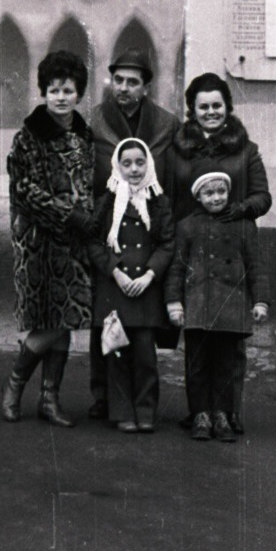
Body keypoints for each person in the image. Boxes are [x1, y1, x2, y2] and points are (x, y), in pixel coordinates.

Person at [166, 72, 272, 432]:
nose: (211, 112)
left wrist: (239, 210)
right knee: (196, 346)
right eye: (203, 107)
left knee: (230, 348)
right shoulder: (177, 150)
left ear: (227, 107)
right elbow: (169, 197)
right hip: (193, 245)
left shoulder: (246, 149)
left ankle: (229, 411)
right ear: (192, 111)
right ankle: (199, 410)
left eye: (217, 105)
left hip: (233, 244)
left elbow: (263, 196)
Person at [1, 49, 95, 427]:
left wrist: (89, 218)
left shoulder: (84, 136)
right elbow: (25, 189)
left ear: (79, 94)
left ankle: (49, 399)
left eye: (68, 90)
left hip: (75, 244)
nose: (60, 97)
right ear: (43, 92)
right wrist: (70, 215)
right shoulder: (28, 137)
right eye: (53, 90)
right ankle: (14, 383)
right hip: (40, 242)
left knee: (67, 318)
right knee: (49, 322)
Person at [86, 46, 177, 419]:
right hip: (108, 225)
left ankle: (139, 404)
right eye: (118, 80)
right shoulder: (94, 122)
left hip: (149, 225)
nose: (123, 88)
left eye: (132, 82)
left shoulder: (166, 125)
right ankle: (103, 397)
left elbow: (173, 173)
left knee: (141, 331)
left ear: (146, 88)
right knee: (104, 321)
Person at [165, 170, 269, 441]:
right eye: (209, 193)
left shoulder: (244, 225)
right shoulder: (187, 226)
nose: (216, 198)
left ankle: (223, 414)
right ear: (198, 196)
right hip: (198, 305)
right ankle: (200, 414)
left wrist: (260, 301)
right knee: (197, 364)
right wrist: (174, 302)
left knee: (226, 363)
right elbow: (176, 268)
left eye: (221, 191)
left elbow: (255, 265)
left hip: (231, 305)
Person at [88, 138, 175, 434]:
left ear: (148, 164)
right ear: (117, 166)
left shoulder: (159, 201)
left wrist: (149, 275)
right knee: (117, 355)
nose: (134, 169)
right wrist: (117, 273)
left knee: (145, 356)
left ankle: (146, 410)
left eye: (140, 162)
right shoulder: (108, 201)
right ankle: (122, 411)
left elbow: (166, 244)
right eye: (127, 163)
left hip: (145, 289)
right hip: (116, 289)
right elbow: (95, 244)